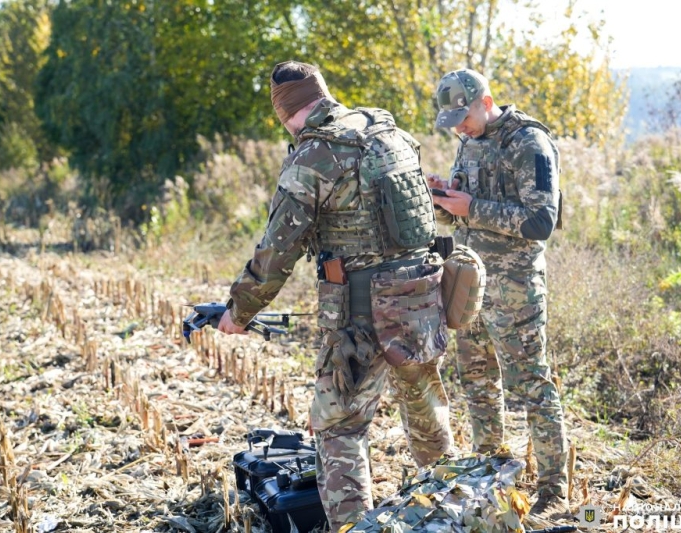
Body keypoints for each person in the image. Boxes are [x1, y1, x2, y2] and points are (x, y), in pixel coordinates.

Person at [218, 60, 453, 531]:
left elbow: (276, 251)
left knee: (340, 429)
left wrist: (238, 313)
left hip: (361, 317)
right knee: (427, 417)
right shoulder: (390, 132)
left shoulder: (313, 156)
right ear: (323, 95)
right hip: (422, 299)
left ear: (283, 111)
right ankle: (452, 513)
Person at [428, 68, 569, 518]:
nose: (458, 127)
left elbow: (540, 222)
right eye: (450, 121)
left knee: (532, 385)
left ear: (485, 102)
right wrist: (445, 200)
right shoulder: (469, 142)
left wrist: (473, 208)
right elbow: (466, 215)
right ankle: (490, 470)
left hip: (515, 290)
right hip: (471, 285)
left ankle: (553, 488)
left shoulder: (529, 144)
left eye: (463, 116)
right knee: (477, 382)